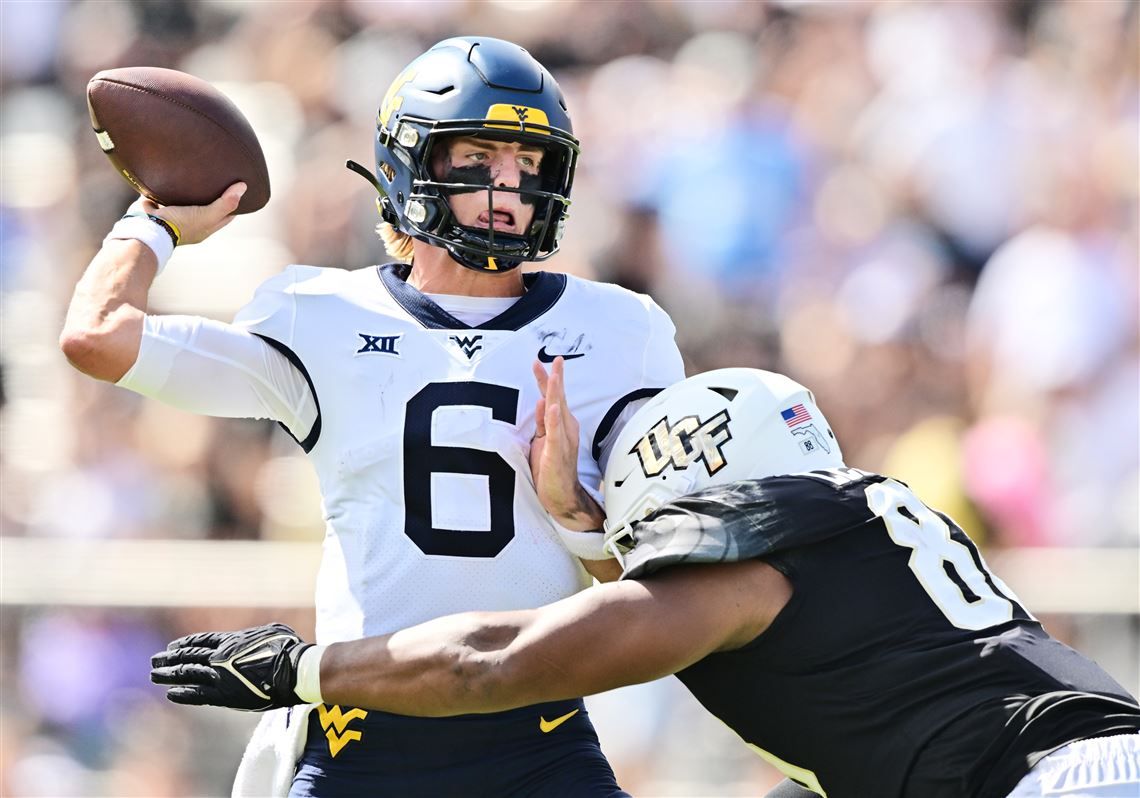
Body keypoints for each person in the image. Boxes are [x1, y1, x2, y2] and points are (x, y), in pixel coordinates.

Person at [63, 36, 685, 797]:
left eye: (528, 165)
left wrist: (575, 515)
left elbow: (664, 596)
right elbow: (98, 336)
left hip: (539, 739)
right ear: (410, 164)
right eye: (479, 158)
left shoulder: (625, 332)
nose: (509, 187)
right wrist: (155, 221)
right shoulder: (318, 315)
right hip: (362, 736)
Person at [153, 368, 1140, 798]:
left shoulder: (761, 567)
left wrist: (309, 669)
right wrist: (584, 529)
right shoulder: (856, 530)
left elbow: (503, 660)